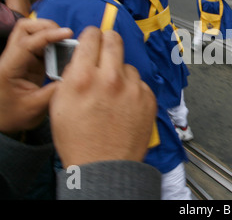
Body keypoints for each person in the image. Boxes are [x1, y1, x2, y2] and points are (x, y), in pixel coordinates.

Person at [22, 0, 180, 198]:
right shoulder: (110, 11)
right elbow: (146, 78)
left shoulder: (30, 24)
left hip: (72, 150)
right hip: (138, 145)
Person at [0, 19, 161, 199]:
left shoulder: (37, 9)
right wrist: (105, 181)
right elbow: (146, 75)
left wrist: (7, 134)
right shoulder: (114, 12)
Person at [99, 0, 192, 199]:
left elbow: (108, 7)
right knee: (173, 73)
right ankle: (184, 124)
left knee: (150, 83)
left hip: (140, 37)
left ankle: (168, 131)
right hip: (166, 30)